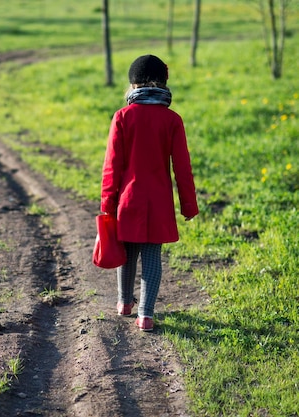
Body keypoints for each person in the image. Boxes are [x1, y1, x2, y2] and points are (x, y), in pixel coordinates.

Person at [100, 54, 199, 331]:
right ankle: (146, 315)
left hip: (127, 200)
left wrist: (108, 204)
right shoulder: (172, 120)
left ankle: (124, 303)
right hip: (158, 203)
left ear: (133, 85)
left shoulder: (122, 117)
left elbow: (111, 167)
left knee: (127, 253)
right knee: (153, 256)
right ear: (163, 84)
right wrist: (188, 206)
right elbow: (182, 167)